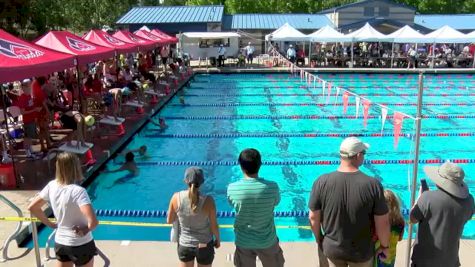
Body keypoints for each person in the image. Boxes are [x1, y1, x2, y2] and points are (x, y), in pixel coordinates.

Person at [308, 137, 390, 267]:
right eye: (364, 153)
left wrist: (319, 239)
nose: (364, 156)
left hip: (332, 250)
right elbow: (383, 223)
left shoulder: (321, 182)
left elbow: (313, 217)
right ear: (357, 156)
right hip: (361, 253)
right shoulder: (373, 184)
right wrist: (385, 246)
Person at [28, 152, 98, 267]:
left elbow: (32, 207)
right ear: (75, 168)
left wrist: (50, 224)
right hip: (80, 243)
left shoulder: (51, 186)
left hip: (61, 243)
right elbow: (93, 222)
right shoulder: (78, 191)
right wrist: (85, 230)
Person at [227, 148, 284, 267]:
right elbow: (276, 202)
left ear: (241, 166)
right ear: (260, 164)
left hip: (243, 241)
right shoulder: (272, 187)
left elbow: (232, 204)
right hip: (267, 240)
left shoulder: (232, 188)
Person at [410, 162, 474, 267]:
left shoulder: (427, 198)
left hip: (424, 261)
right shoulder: (469, 201)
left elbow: (413, 219)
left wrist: (420, 198)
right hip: (451, 261)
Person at [167, 167, 221, 267]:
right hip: (205, 245)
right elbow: (214, 225)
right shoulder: (209, 200)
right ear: (202, 182)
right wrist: (218, 239)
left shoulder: (176, 198)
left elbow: (169, 220)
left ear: (185, 181)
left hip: (185, 245)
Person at [375, 190, 405, 267]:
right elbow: (400, 238)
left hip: (379, 255)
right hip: (391, 257)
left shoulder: (380, 221)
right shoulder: (401, 221)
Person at [16, 79, 42, 158]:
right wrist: (34, 110)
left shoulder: (28, 96)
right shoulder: (22, 98)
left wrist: (35, 111)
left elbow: (31, 106)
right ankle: (28, 153)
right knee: (28, 137)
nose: (30, 88)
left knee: (30, 137)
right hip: (27, 120)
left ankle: (31, 152)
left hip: (32, 119)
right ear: (24, 88)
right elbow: (22, 112)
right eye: (29, 87)